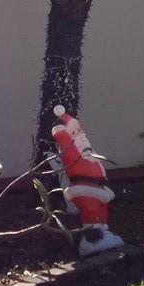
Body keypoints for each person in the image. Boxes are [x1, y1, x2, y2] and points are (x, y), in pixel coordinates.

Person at [50, 104, 124, 256]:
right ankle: (92, 239)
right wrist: (61, 133)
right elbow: (64, 141)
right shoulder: (72, 150)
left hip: (97, 186)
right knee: (91, 211)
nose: (80, 136)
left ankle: (103, 232)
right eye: (75, 132)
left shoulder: (86, 151)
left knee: (100, 212)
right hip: (84, 187)